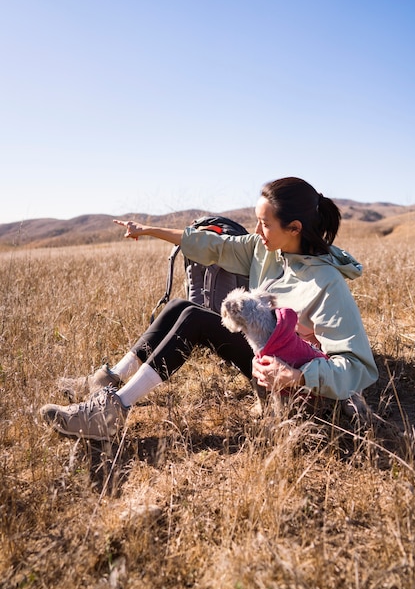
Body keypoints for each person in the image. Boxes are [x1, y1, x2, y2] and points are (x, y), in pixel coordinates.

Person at [40, 177, 378, 441]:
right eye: (256, 222)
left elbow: (358, 367)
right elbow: (213, 245)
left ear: (295, 229)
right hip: (264, 357)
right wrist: (148, 231)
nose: (256, 231)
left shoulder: (328, 284)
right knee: (181, 306)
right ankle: (108, 378)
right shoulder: (268, 250)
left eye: (265, 224)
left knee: (195, 319)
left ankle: (111, 413)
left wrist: (298, 376)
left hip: (294, 381)